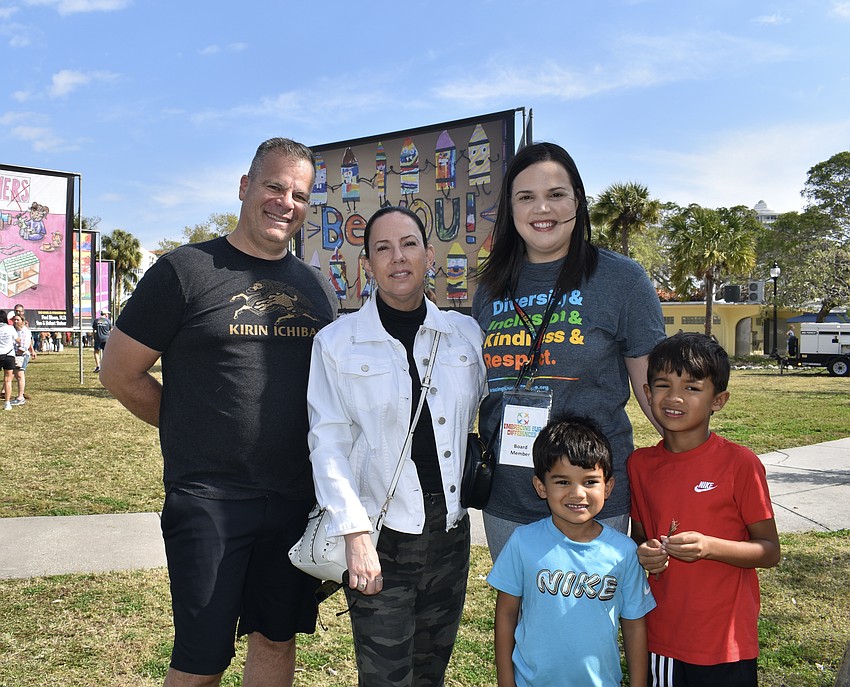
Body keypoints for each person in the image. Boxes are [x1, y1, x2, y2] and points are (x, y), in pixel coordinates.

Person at [100, 137, 338, 687]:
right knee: (201, 662)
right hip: (209, 499)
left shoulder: (315, 286)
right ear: (244, 187)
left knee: (277, 640)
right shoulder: (184, 271)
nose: (285, 202)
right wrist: (190, 424)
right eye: (274, 186)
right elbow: (120, 372)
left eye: (299, 195)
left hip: (295, 497)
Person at [307, 205, 486, 687]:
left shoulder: (464, 335)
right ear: (367, 264)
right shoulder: (336, 342)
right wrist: (355, 533)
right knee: (385, 676)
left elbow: (490, 414)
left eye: (408, 244)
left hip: (449, 530)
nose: (397, 257)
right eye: (382, 248)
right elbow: (327, 443)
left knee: (432, 670)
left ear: (429, 254)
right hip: (378, 533)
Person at [472, 141, 666, 559]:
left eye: (556, 195)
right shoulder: (489, 288)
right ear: (510, 209)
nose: (543, 209)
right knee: (521, 619)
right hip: (507, 500)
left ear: (578, 201)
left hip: (592, 498)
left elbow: (657, 390)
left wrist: (697, 464)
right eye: (527, 197)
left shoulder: (622, 279)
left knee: (590, 622)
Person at [628, 332, 781, 686]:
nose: (675, 398)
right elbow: (640, 535)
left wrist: (710, 547)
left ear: (719, 400)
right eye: (663, 385)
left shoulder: (740, 464)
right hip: (666, 637)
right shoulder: (639, 464)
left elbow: (769, 551)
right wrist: (646, 551)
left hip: (727, 641)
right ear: (647, 393)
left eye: (693, 388)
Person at [487, 416, 655, 687]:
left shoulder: (624, 551)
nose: (577, 494)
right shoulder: (522, 542)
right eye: (563, 482)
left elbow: (634, 624)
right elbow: (506, 614)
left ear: (608, 487)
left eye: (590, 482)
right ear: (541, 486)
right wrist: (506, 681)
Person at [11, 313, 35, 405]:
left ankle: (20, 397)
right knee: (17, 376)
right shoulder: (15, 330)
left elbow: (23, 347)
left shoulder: (25, 331)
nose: (16, 321)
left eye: (18, 320)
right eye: (15, 320)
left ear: (23, 321)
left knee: (20, 376)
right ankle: (20, 395)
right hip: (15, 355)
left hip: (21, 356)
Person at [1, 310, 16, 411]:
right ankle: (7, 403)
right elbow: (17, 339)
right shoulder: (10, 328)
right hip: (9, 355)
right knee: (8, 380)